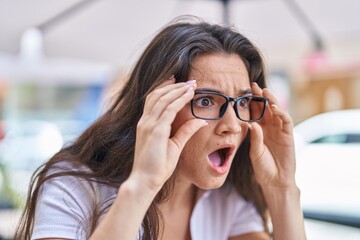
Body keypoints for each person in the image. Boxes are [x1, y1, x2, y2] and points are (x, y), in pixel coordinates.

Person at [15, 16, 306, 240]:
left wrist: (282, 190)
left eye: (242, 102)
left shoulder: (226, 198)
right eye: (205, 100)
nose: (232, 125)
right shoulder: (74, 186)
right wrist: (143, 184)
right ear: (155, 107)